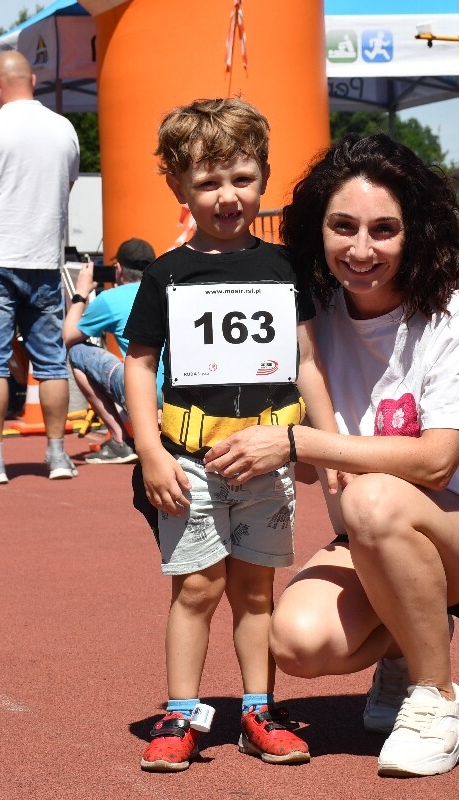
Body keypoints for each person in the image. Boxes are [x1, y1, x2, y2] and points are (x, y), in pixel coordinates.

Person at [202, 134, 459, 779]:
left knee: (371, 495)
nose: (361, 250)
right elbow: (301, 461)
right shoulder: (308, 317)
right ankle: (407, 642)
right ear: (317, 228)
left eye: (384, 230)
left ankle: (438, 702)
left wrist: (299, 441)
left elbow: (437, 462)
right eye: (343, 227)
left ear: (416, 232)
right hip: (372, 531)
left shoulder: (458, 311)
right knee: (296, 642)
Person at [123, 97, 336, 772]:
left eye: (242, 179)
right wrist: (150, 452)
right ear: (179, 187)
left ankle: (257, 711)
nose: (227, 196)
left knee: (255, 592)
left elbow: (306, 362)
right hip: (190, 461)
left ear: (263, 178)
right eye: (208, 182)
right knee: (196, 589)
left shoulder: (284, 267)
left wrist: (327, 445)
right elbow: (139, 365)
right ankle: (180, 713)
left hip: (267, 464)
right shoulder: (166, 273)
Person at [0, 50, 80, 484]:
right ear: (33, 80)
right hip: (43, 258)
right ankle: (58, 455)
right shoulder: (64, 129)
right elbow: (67, 184)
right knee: (51, 362)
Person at [61, 238, 157, 464]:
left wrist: (81, 294)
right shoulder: (167, 291)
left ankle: (120, 440)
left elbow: (68, 337)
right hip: (178, 389)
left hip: (144, 389)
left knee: (77, 351)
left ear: (119, 269)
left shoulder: (110, 299)